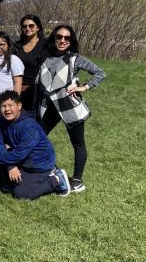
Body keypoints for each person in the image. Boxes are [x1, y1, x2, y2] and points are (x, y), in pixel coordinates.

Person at [34, 25, 106, 193]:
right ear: (53, 38)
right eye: (59, 37)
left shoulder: (75, 58)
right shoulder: (45, 56)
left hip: (69, 108)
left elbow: (100, 73)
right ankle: (49, 170)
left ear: (71, 41)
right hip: (48, 109)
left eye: (67, 38)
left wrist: (85, 87)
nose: (62, 40)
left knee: (78, 144)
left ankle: (78, 181)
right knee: (37, 138)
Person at [0, 90, 70, 199]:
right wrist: (10, 165)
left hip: (39, 165)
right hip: (23, 160)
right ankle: (16, 181)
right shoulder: (2, 122)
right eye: (3, 106)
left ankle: (56, 178)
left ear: (19, 106)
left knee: (21, 194)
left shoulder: (29, 126)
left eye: (10, 105)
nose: (7, 109)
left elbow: (18, 154)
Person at [0, 32, 24, 119]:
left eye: (2, 44)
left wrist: (14, 102)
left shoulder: (13, 59)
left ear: (8, 45)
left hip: (7, 103)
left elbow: (18, 82)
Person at [13, 14, 47, 111]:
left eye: (31, 26)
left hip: (37, 91)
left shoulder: (45, 44)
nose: (27, 28)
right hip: (18, 89)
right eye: (24, 26)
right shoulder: (17, 45)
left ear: (38, 27)